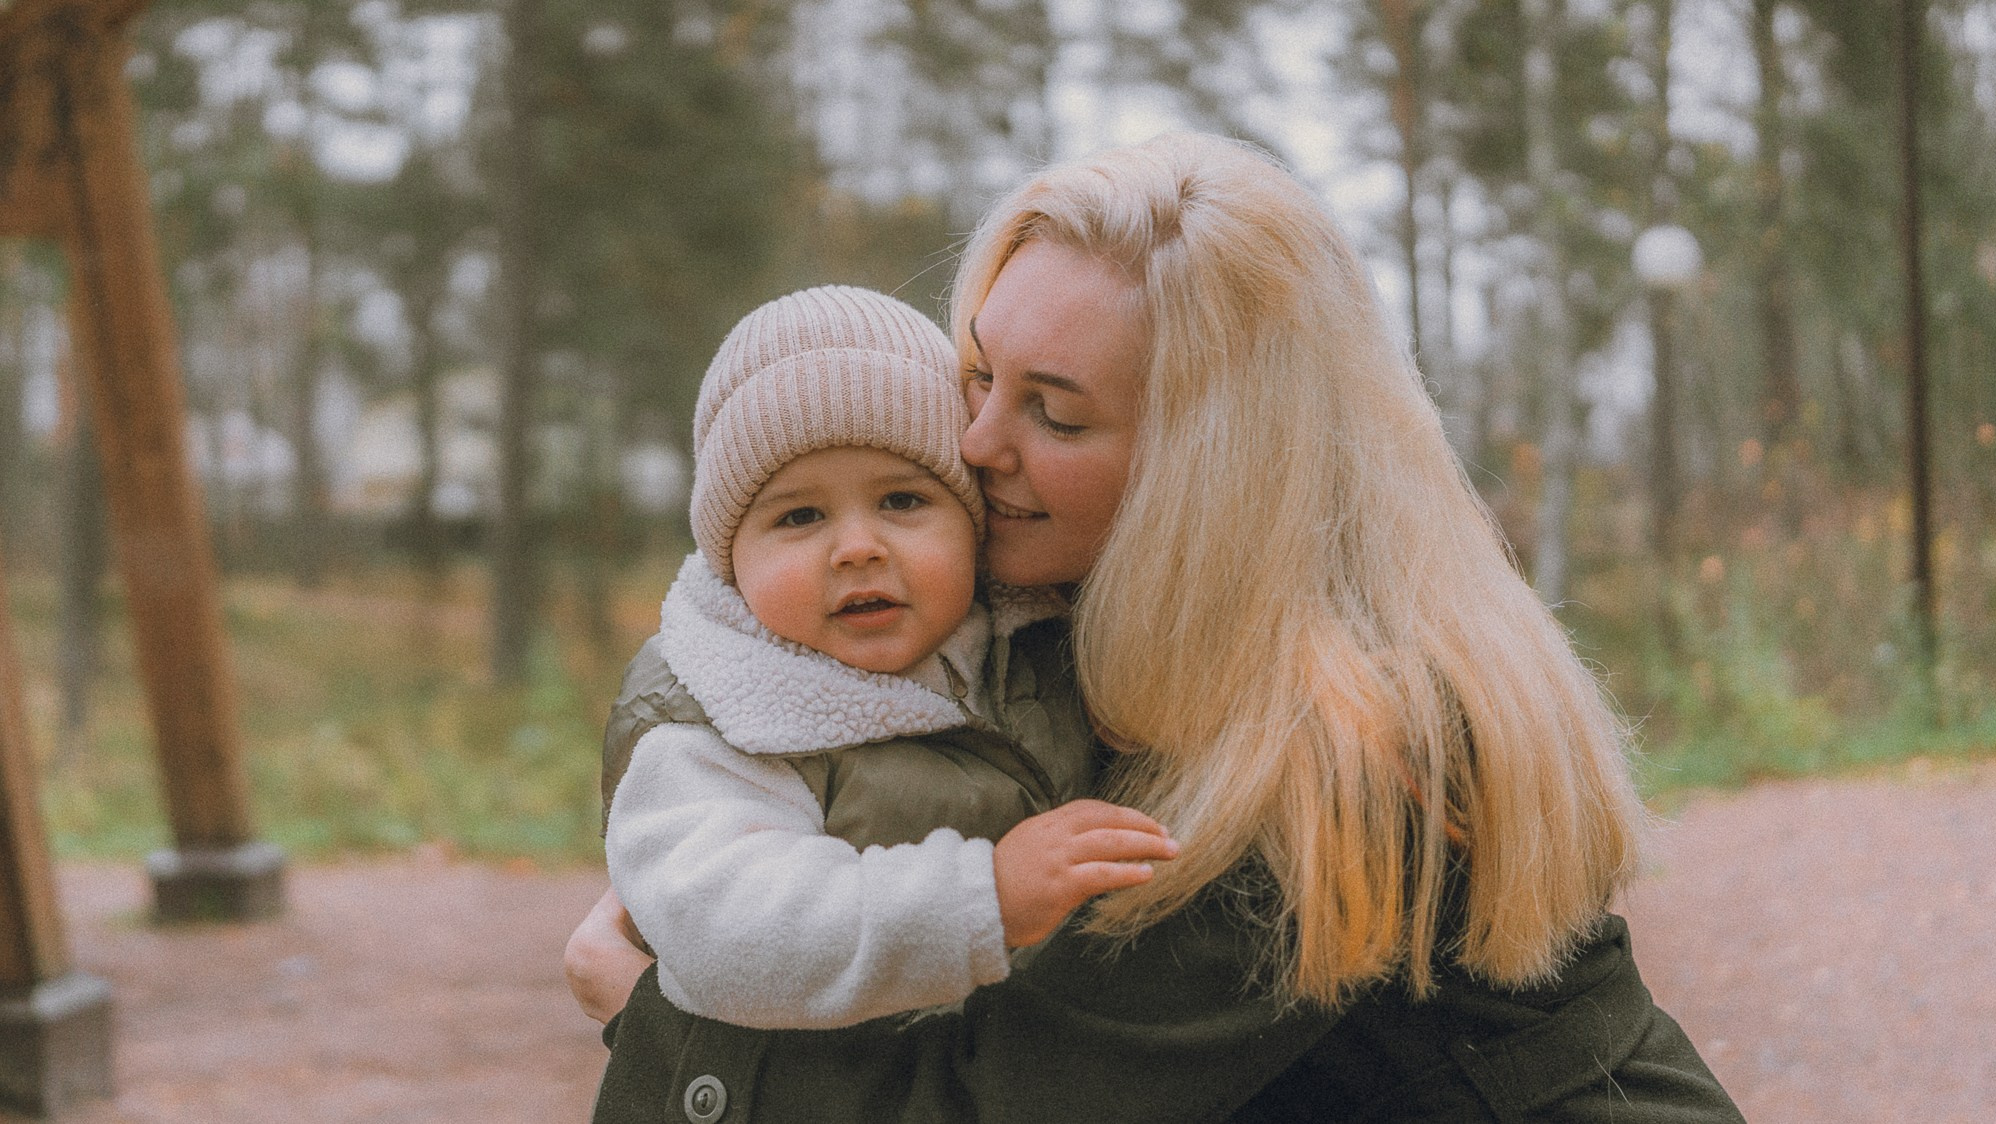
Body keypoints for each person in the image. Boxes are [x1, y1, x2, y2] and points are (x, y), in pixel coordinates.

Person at [572, 134, 1745, 1123]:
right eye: (977, 376)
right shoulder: (1100, 650)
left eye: (1052, 412)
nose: (972, 443)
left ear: (1209, 473)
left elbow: (993, 1099)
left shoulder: (1330, 759)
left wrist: (647, 1010)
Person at [601, 284, 1179, 1038]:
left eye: (903, 501)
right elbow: (724, 930)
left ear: (972, 521)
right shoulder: (714, 718)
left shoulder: (1039, 639)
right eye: (800, 515)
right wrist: (981, 897)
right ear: (728, 559)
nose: (858, 547)